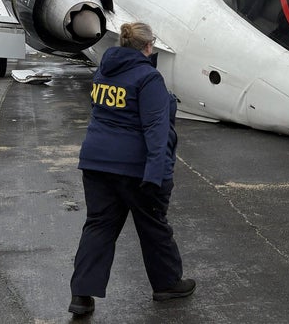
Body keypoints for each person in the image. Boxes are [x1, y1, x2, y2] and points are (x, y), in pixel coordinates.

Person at [68, 22, 194, 316]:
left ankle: (81, 296)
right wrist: (156, 175)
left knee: (99, 226)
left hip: (96, 163)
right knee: (153, 225)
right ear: (148, 47)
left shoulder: (104, 71)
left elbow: (99, 111)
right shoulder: (148, 79)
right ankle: (167, 283)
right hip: (134, 169)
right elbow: (155, 130)